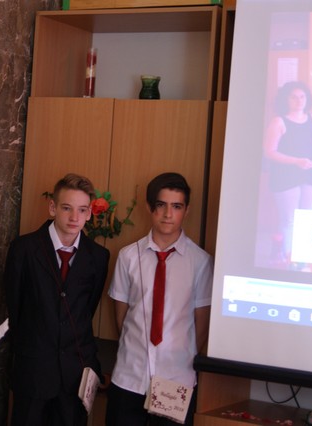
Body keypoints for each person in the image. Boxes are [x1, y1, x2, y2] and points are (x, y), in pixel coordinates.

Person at [105, 172, 213, 426]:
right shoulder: (128, 256)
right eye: (161, 205)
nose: (168, 214)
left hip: (176, 381)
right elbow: (121, 316)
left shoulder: (200, 262)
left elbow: (201, 324)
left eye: (176, 206)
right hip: (129, 378)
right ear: (149, 207)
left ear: (186, 210)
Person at [4, 173, 110, 426]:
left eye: (82, 210)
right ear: (52, 208)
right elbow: (15, 308)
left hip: (75, 374)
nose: (74, 217)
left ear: (89, 213)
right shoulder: (23, 249)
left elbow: (87, 309)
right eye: (66, 208)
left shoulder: (98, 256)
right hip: (33, 369)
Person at [263, 81, 312, 266]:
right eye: (294, 97)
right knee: (289, 220)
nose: (299, 101)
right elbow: (270, 152)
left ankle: (301, 257)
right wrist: (297, 161)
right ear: (286, 99)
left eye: (302, 97)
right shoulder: (278, 121)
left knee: (305, 218)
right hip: (285, 176)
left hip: (310, 173)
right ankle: (291, 259)